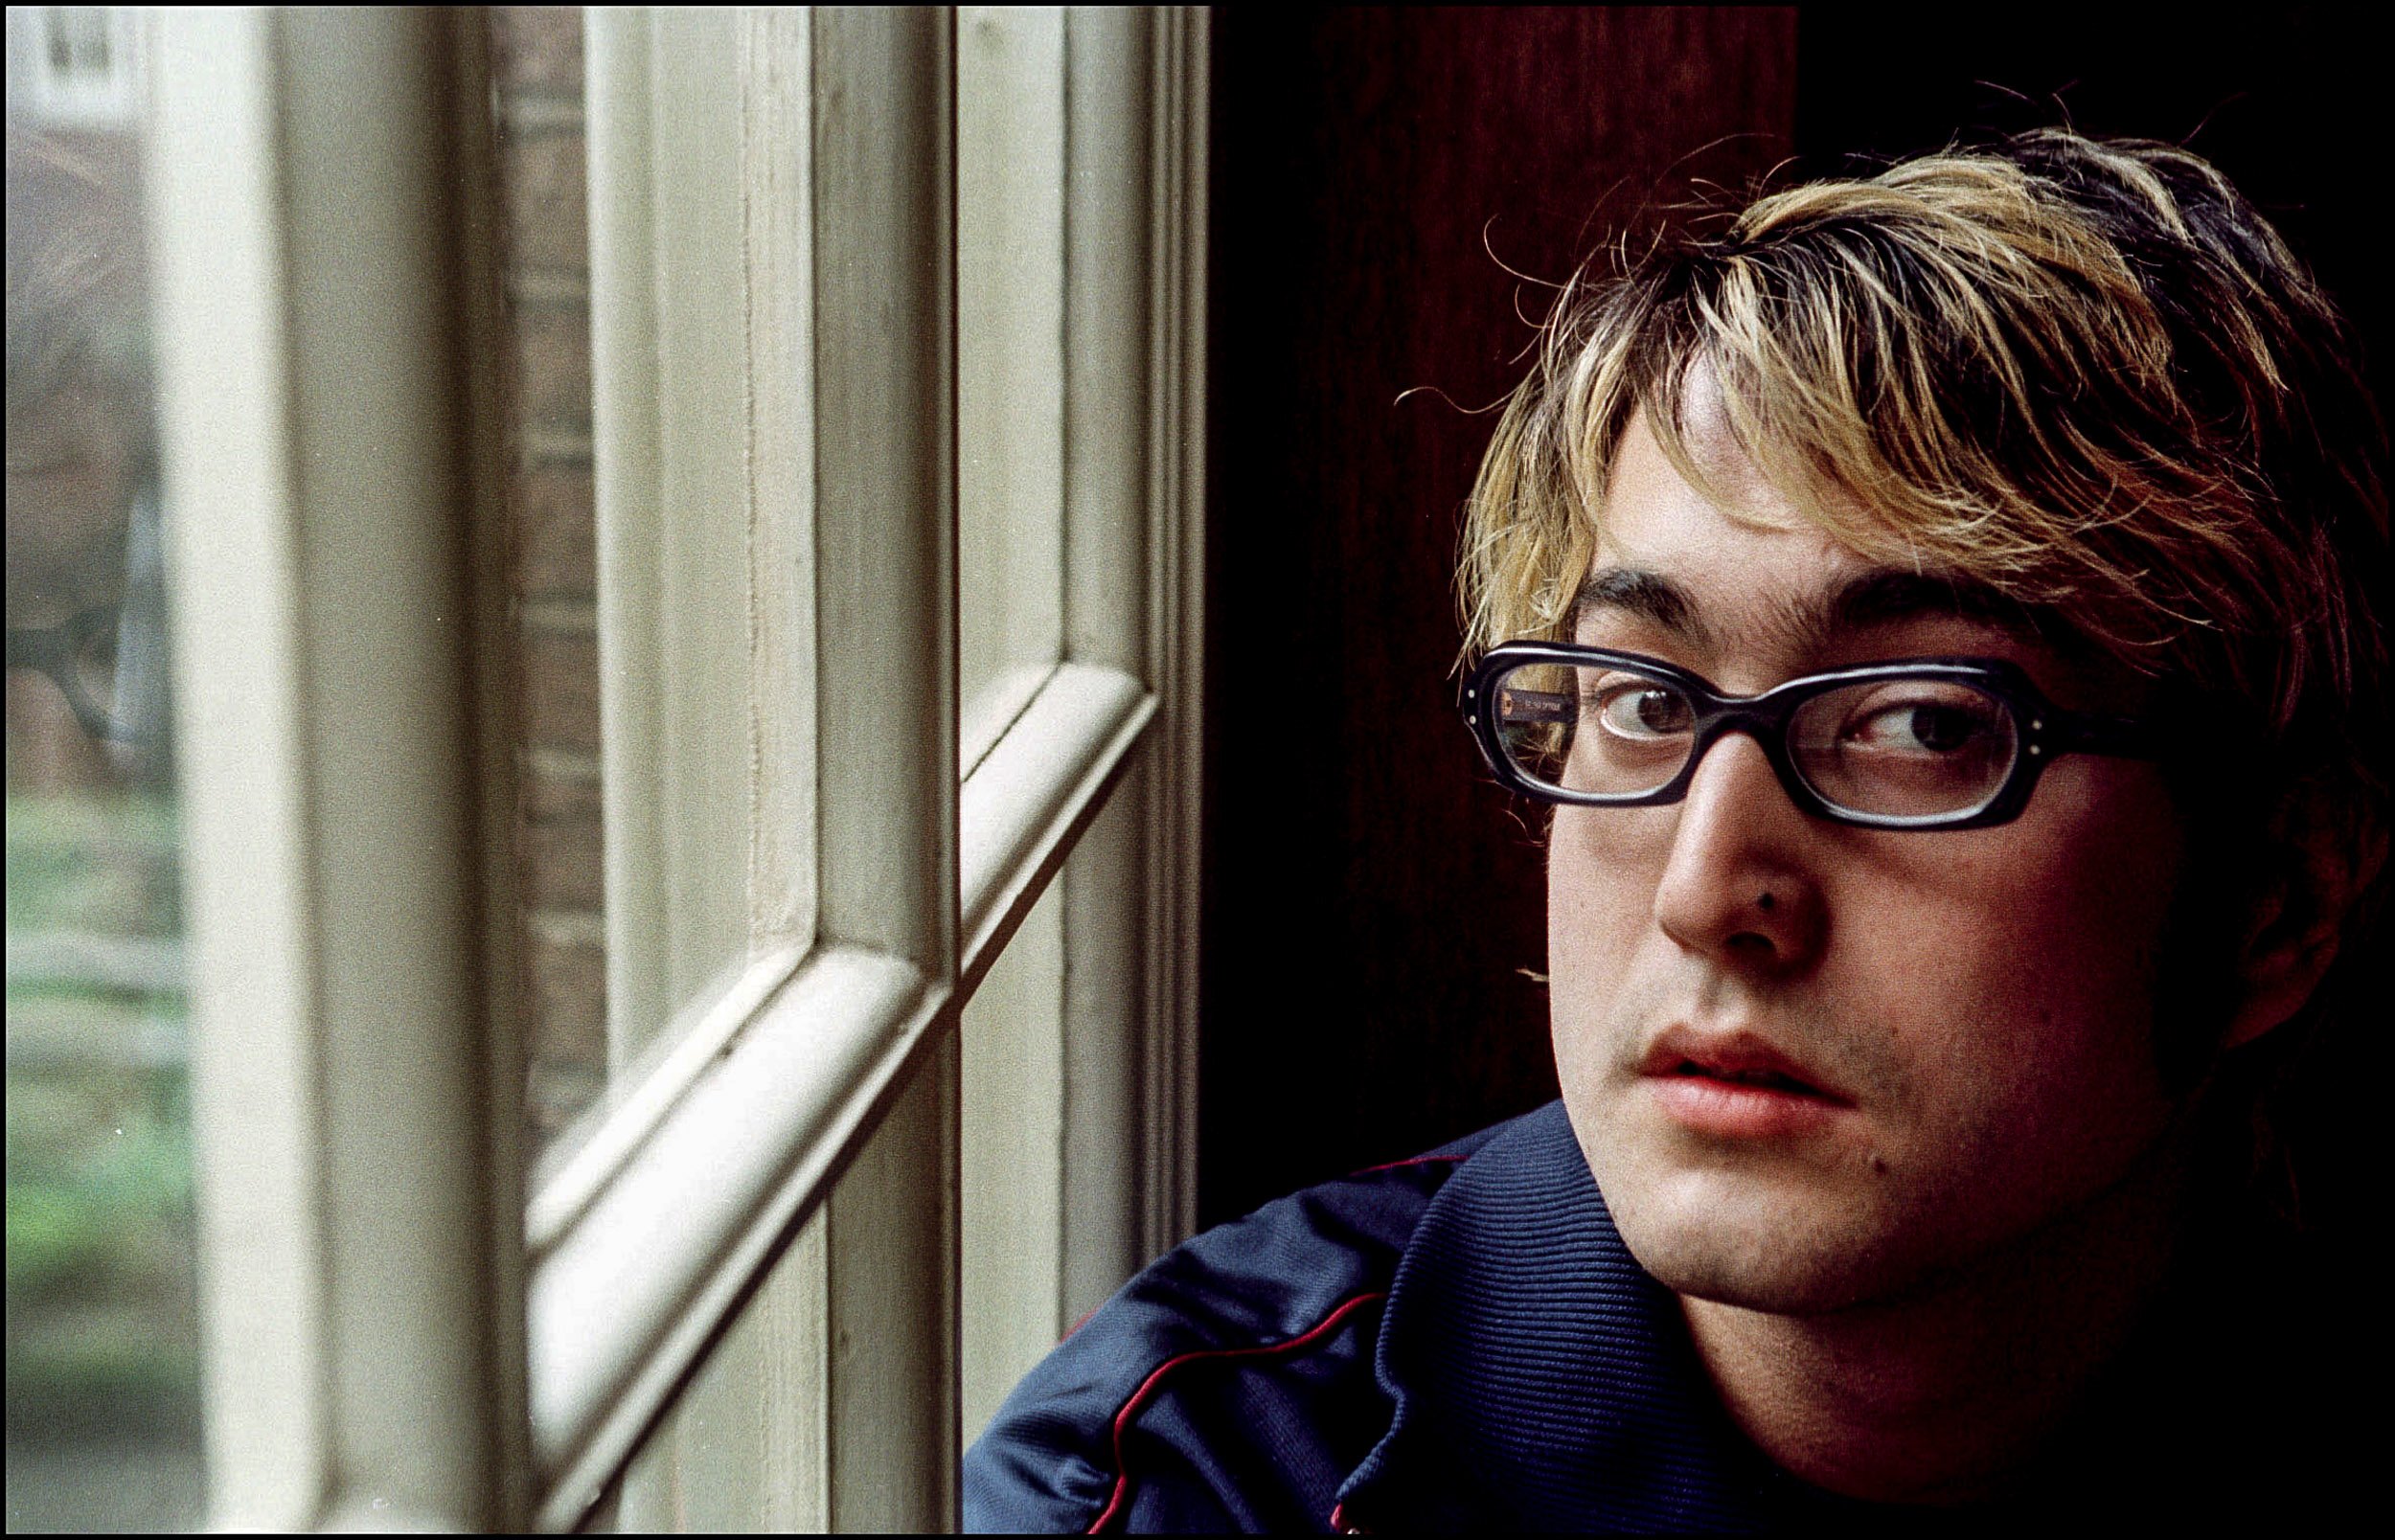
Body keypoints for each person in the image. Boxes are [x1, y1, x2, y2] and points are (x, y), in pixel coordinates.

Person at [963, 128, 2389, 1531]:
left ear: (2276, 900)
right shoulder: (1182, 1481)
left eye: (1925, 724)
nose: (1709, 891)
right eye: (1641, 699)